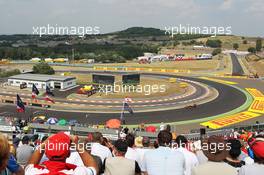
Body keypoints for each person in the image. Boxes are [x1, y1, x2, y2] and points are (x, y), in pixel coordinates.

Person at [25, 132, 98, 175]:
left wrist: (46, 142)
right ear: (69, 154)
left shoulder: (34, 172)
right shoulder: (78, 172)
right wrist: (76, 145)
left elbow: (29, 166)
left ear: (46, 154)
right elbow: (93, 168)